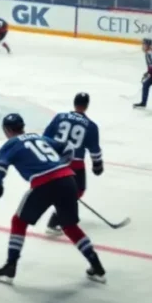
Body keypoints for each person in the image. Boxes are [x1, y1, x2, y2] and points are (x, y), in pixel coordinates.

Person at [0, 113, 107, 284]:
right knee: (70, 226)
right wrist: (60, 167)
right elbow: (67, 149)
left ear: (6, 130)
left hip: (44, 184)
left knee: (19, 222)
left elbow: (0, 167)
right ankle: (97, 266)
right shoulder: (39, 137)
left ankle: (10, 265)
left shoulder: (9, 145)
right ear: (23, 126)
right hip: (68, 179)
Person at [43, 92, 102, 235]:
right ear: (86, 106)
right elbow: (94, 150)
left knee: (65, 190)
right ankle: (57, 219)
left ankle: (64, 211)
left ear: (74, 103)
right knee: (78, 191)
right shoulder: (91, 126)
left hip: (56, 161)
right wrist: (97, 165)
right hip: (75, 163)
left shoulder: (59, 117)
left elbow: (45, 137)